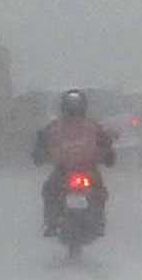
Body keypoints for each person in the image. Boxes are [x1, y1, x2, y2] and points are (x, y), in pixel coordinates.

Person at [32, 88, 115, 236]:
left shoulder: (91, 127)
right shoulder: (56, 127)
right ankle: (53, 220)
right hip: (65, 169)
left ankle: (96, 219)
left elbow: (105, 143)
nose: (74, 113)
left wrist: (108, 154)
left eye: (76, 109)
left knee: (99, 192)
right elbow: (42, 141)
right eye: (71, 110)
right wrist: (39, 153)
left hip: (85, 169)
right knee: (50, 190)